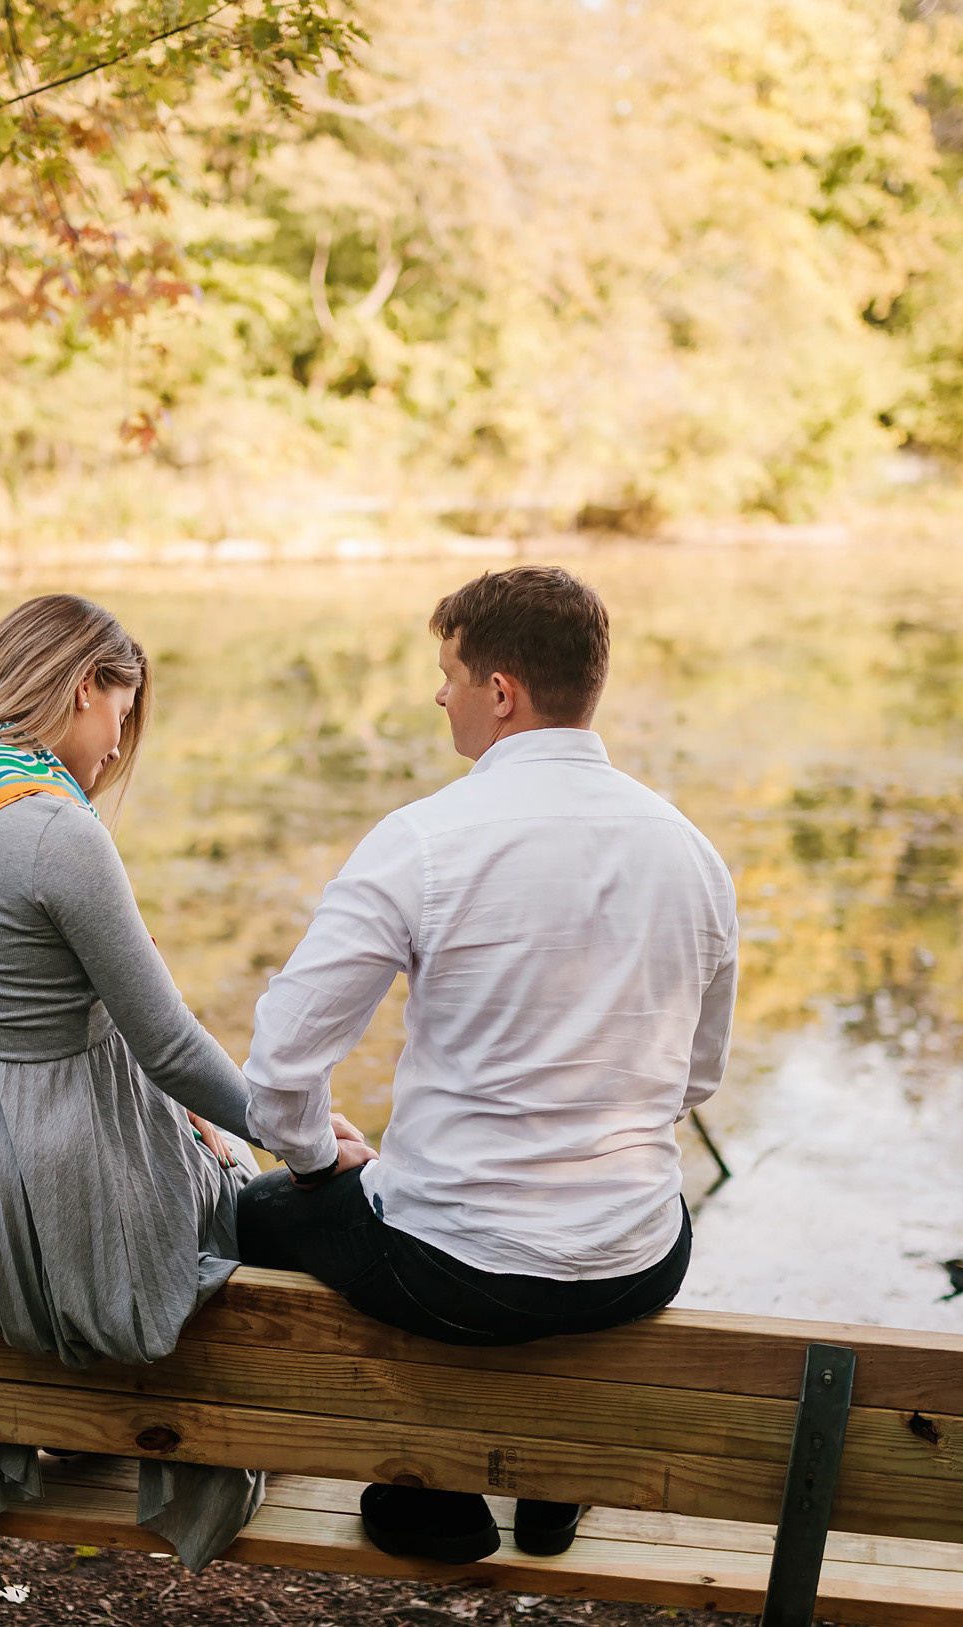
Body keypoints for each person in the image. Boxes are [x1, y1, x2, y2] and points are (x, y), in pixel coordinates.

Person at [237, 565, 739, 1565]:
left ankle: (428, 1490)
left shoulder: (422, 841)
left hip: (453, 1272)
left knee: (261, 1219)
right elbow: (696, 1081)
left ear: (499, 691)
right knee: (508, 1243)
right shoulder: (691, 852)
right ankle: (553, 1475)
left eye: (449, 672)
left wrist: (313, 1161)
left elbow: (281, 1065)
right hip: (637, 1260)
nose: (439, 694)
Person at [0, 593, 265, 1570]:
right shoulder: (58, 833)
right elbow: (168, 1046)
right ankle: (191, 1476)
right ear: (81, 687)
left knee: (200, 1149)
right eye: (121, 711)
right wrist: (295, 1131)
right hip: (21, 1185)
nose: (117, 746)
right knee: (235, 1190)